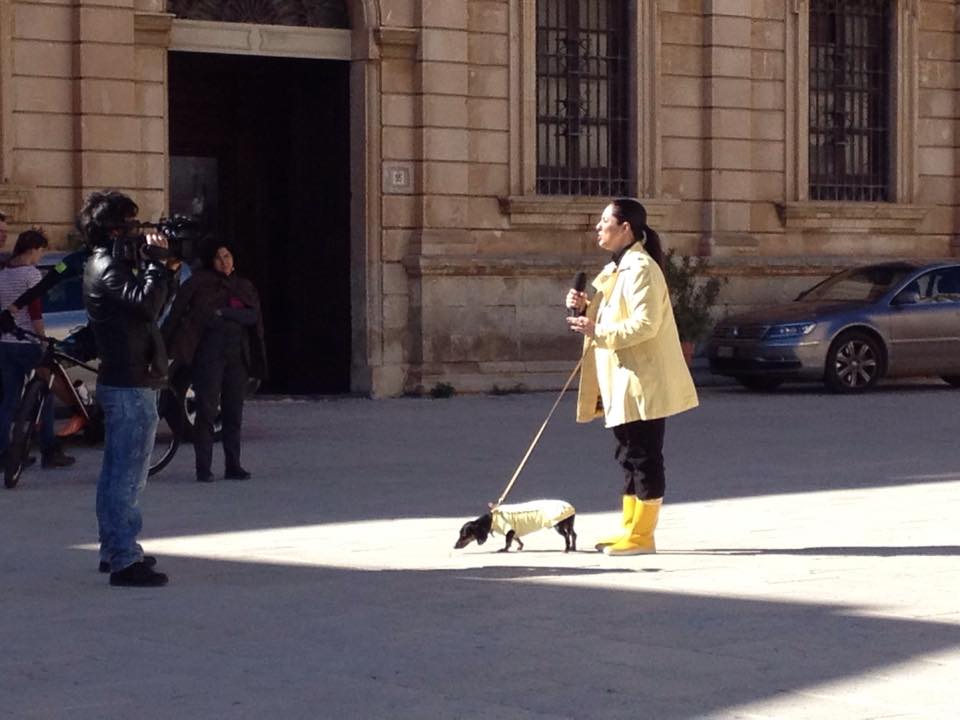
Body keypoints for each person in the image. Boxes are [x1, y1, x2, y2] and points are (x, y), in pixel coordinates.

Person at [565, 198, 699, 556]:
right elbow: (610, 314)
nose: (598, 226)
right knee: (626, 455)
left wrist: (596, 328)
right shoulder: (617, 268)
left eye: (605, 220)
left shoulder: (641, 268)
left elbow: (644, 324)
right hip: (621, 380)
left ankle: (643, 536)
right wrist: (582, 309)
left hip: (643, 380)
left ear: (626, 228)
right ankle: (629, 529)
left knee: (644, 456)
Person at [79, 189, 177, 587]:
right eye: (133, 224)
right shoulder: (108, 268)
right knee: (127, 476)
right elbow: (146, 305)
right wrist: (156, 268)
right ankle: (123, 557)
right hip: (128, 384)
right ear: (116, 229)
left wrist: (165, 271)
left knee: (117, 472)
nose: (140, 232)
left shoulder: (107, 264)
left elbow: (151, 310)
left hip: (131, 379)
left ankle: (115, 548)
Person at [162, 243, 266, 483]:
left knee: (233, 412)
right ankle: (204, 468)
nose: (224, 261)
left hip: (236, 357)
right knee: (206, 412)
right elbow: (180, 313)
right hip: (208, 356)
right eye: (218, 257)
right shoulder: (200, 284)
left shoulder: (243, 286)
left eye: (227, 255)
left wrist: (225, 313)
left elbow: (253, 316)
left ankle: (233, 465)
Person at [0, 229, 75, 468]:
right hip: (27, 342)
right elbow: (34, 311)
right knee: (46, 394)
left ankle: (4, 451)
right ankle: (49, 449)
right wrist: (42, 338)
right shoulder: (30, 275)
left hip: (5, 343)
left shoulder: (3, 272)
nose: (40, 258)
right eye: (40, 252)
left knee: (8, 399)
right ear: (33, 249)